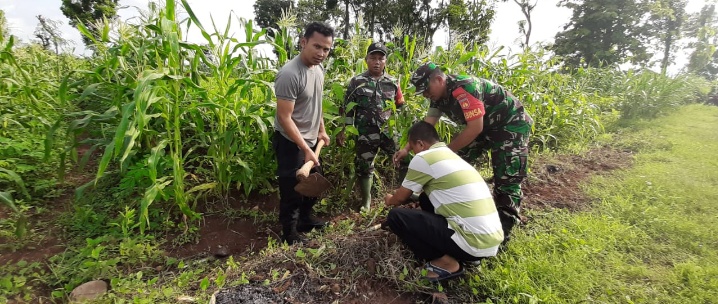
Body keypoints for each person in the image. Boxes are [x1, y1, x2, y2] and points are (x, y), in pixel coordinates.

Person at [393, 62, 533, 246]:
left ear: (438, 79)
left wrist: (443, 152)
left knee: (507, 176)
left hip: (509, 124)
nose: (426, 95)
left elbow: (475, 127)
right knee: (456, 164)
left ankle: (504, 228)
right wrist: (406, 149)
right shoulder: (437, 97)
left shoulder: (464, 88)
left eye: (426, 90)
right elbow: (426, 126)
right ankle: (451, 206)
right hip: (485, 128)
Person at [383, 121, 504, 282]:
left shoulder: (424, 158)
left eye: (412, 148)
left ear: (420, 144)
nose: (413, 153)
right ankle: (470, 258)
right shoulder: (452, 157)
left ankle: (447, 262)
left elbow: (400, 198)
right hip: (490, 242)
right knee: (426, 198)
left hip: (472, 242)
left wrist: (390, 199)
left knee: (396, 216)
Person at [272, 22, 335, 245]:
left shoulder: (318, 70)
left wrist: (322, 130)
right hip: (291, 140)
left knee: (315, 182)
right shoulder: (290, 74)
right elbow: (284, 118)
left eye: (326, 49)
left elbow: (315, 104)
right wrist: (306, 150)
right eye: (317, 46)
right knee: (293, 189)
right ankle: (289, 233)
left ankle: (305, 220)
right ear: (303, 42)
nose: (321, 53)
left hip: (310, 138)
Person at [337, 41, 405, 211]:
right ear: (366, 59)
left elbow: (400, 106)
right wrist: (344, 130)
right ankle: (366, 201)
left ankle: (406, 193)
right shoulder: (357, 82)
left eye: (380, 58)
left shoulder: (393, 82)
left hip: (388, 132)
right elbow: (348, 109)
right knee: (364, 166)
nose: (377, 62)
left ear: (385, 61)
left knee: (402, 159)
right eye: (373, 58)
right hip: (364, 133)